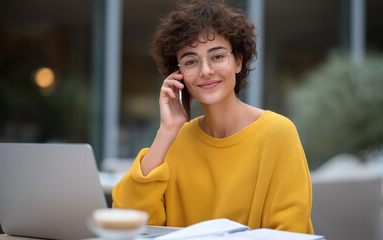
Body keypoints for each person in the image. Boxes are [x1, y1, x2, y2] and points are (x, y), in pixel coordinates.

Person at [112, 0, 314, 234]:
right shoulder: (175, 140)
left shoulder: (278, 133)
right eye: (190, 61)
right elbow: (127, 222)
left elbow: (290, 232)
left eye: (217, 56)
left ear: (238, 62)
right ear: (178, 76)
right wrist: (166, 131)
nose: (205, 70)